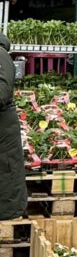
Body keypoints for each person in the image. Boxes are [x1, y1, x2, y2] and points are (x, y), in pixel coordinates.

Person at [0, 32, 27, 220]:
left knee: (6, 172)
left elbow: (1, 93)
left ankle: (8, 213)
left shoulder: (1, 55)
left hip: (3, 131)